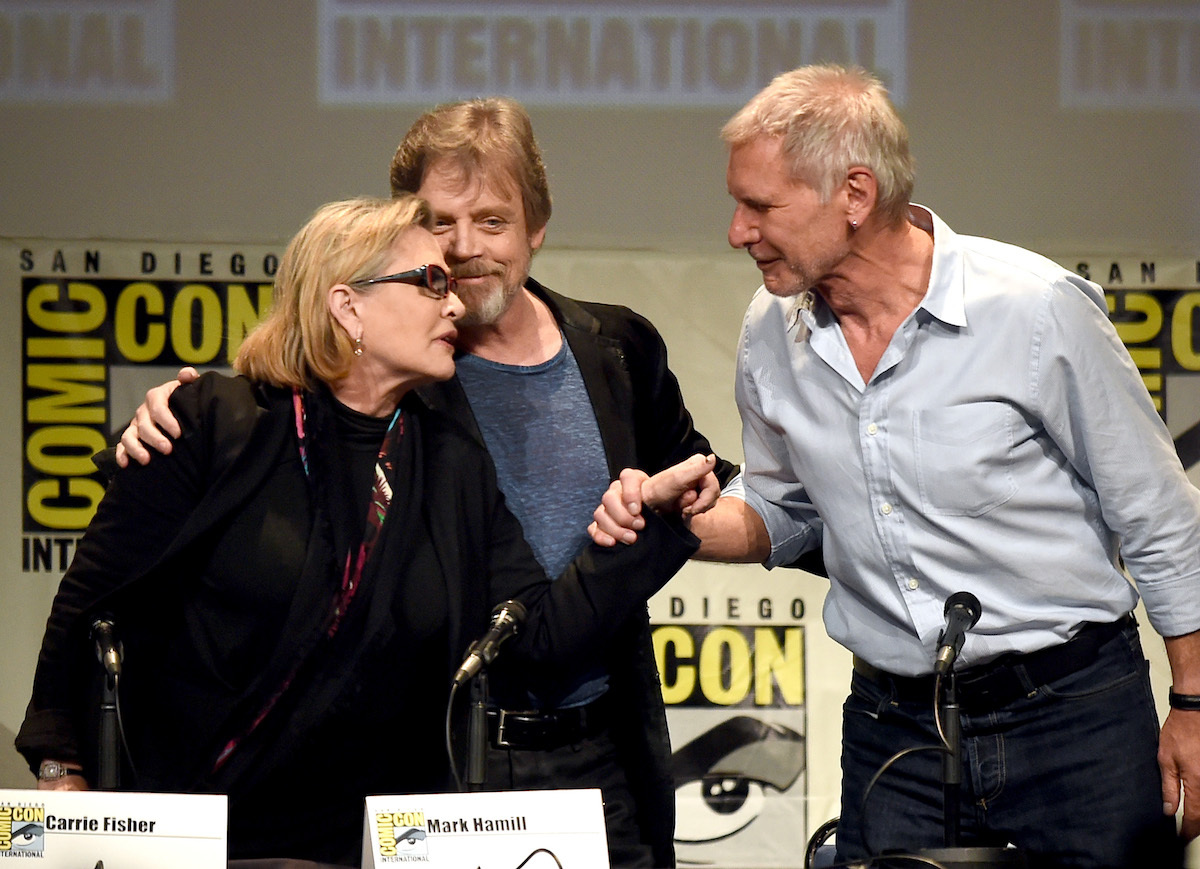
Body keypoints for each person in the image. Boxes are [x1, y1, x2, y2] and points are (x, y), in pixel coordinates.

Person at [590, 64, 1200, 868]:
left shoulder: (1035, 310)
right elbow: (782, 508)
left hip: (1072, 718)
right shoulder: (771, 331)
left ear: (854, 192)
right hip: (894, 726)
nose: (737, 230)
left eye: (760, 205)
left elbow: (1159, 517)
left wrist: (1192, 702)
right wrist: (682, 521)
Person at [113, 98, 740, 868]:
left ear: (537, 227)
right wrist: (164, 414)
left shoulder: (618, 345)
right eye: (440, 223)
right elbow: (259, 414)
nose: (466, 249)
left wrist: (665, 510)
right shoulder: (399, 373)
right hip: (433, 766)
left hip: (599, 750)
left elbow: (694, 480)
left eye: (492, 220)